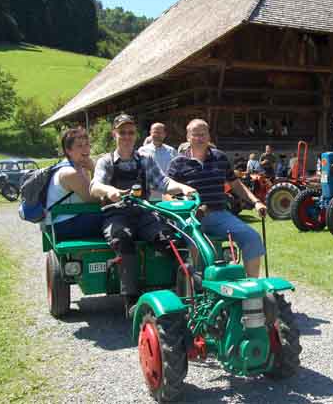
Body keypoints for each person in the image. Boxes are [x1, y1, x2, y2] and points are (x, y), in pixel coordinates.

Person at [90, 113, 195, 315]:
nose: (127, 136)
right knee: (123, 239)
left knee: (172, 240)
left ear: (136, 135)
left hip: (143, 213)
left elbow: (163, 183)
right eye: (122, 132)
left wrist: (183, 188)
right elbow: (95, 186)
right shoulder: (106, 161)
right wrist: (109, 191)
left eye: (130, 132)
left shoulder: (145, 160)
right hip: (116, 215)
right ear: (114, 134)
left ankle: (184, 295)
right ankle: (131, 301)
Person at [167, 119, 267, 278]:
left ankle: (252, 288)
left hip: (219, 214)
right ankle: (197, 286)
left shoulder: (220, 157)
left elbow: (236, 184)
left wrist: (256, 202)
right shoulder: (178, 163)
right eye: (195, 135)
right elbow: (167, 192)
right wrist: (184, 204)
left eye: (203, 134)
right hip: (190, 217)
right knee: (196, 245)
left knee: (252, 238)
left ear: (208, 136)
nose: (200, 138)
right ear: (188, 137)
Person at [44, 127, 102, 240]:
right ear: (68, 150)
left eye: (87, 145)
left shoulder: (77, 166)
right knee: (117, 217)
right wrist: (94, 169)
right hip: (63, 224)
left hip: (70, 219)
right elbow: (95, 200)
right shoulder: (71, 173)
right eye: (80, 146)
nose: (85, 149)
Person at [139, 122, 178, 200]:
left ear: (164, 134)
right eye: (155, 132)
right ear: (150, 133)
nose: (157, 135)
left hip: (168, 195)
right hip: (149, 195)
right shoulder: (142, 151)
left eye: (160, 132)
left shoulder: (171, 151)